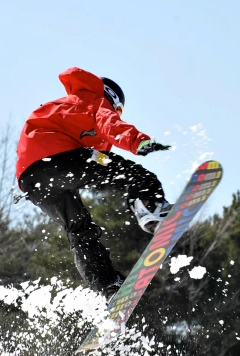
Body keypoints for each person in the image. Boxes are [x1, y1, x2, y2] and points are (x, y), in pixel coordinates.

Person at [15, 67, 172, 299]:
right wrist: (138, 141)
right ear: (113, 100)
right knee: (130, 172)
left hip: (31, 178)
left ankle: (107, 286)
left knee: (80, 230)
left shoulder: (68, 104)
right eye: (118, 110)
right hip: (57, 157)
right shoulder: (94, 98)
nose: (117, 113)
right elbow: (109, 124)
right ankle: (151, 207)